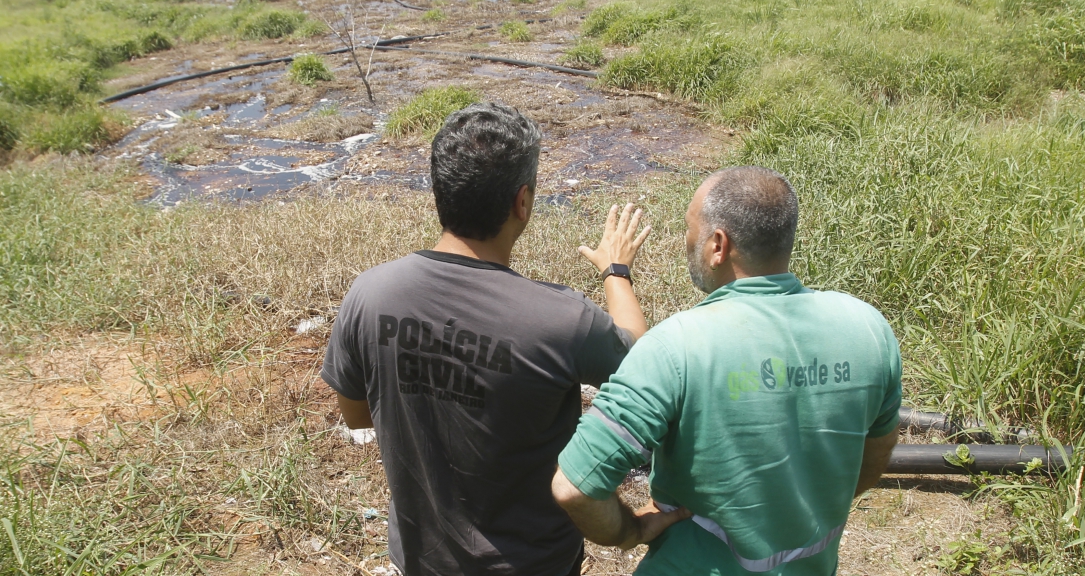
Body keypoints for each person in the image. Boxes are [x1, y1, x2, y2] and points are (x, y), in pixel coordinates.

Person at [321, 102, 654, 576]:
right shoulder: (560, 320)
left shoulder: (369, 293)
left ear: (439, 191)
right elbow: (640, 358)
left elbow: (356, 415)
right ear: (523, 201)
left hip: (418, 561)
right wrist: (615, 270)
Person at [552, 166, 902, 575]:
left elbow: (574, 486)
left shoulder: (676, 347)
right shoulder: (868, 329)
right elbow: (873, 456)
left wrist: (629, 532)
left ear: (718, 245)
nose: (686, 240)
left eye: (689, 228)